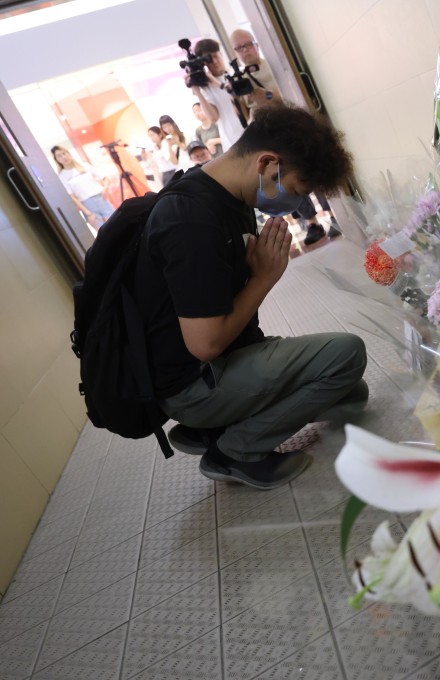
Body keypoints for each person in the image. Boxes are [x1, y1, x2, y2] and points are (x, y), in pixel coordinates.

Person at [133, 104, 367, 489]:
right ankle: (233, 451)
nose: (293, 205)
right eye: (295, 190)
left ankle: (216, 427)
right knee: (346, 355)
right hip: (193, 383)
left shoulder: (229, 195)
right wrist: (264, 277)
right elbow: (205, 344)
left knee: (350, 393)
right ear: (267, 164)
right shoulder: (190, 220)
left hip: (224, 362)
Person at [230, 27, 341, 246]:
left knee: (309, 170)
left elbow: (289, 92)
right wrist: (237, 99)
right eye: (238, 48)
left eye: (247, 44)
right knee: (286, 181)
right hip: (267, 137)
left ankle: (334, 214)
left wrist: (265, 94)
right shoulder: (240, 80)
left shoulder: (270, 67)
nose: (244, 51)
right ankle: (311, 223)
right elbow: (244, 116)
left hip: (292, 129)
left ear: (255, 44)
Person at [191, 38, 247, 151]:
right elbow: (213, 117)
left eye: (216, 56)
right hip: (232, 142)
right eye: (209, 59)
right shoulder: (206, 89)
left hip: (251, 133)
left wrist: (217, 83)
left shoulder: (237, 73)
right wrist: (197, 91)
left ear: (221, 54)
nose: (215, 61)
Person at [51, 145, 116, 227]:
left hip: (101, 198)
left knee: (117, 224)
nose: (63, 157)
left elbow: (105, 177)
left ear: (68, 153)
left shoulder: (84, 165)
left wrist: (105, 188)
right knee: (103, 232)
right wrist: (88, 213)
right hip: (87, 204)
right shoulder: (62, 176)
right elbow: (72, 197)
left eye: (64, 153)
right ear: (56, 160)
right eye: (59, 156)